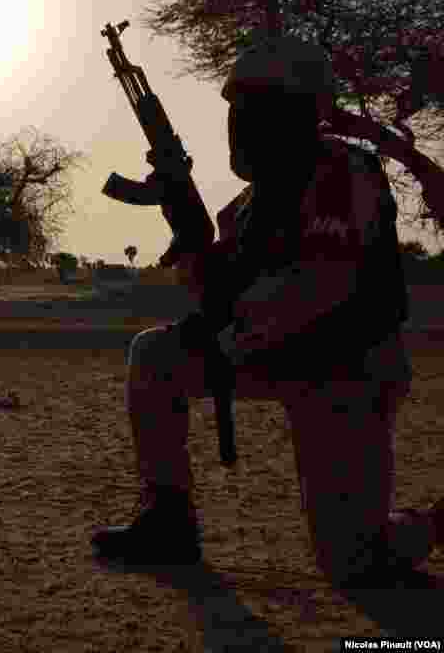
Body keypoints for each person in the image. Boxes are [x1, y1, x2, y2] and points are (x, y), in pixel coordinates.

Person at [90, 35, 444, 588]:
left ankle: (432, 524)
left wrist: (228, 338)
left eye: (254, 110)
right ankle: (168, 521)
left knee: (354, 563)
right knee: (155, 355)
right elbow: (214, 294)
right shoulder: (248, 207)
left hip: (347, 371)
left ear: (300, 115)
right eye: (235, 110)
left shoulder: (344, 173)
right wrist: (185, 222)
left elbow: (320, 286)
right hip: (278, 356)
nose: (237, 126)